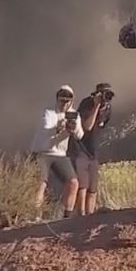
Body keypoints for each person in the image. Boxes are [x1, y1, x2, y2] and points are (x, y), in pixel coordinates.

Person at [30, 84, 85, 217]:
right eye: (62, 100)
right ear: (57, 99)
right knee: (41, 183)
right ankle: (35, 215)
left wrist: (73, 129)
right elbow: (46, 127)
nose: (64, 103)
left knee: (73, 182)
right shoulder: (49, 112)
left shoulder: (74, 115)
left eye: (67, 101)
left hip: (60, 154)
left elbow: (80, 135)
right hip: (42, 152)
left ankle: (67, 215)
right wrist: (59, 126)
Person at [69, 83, 114, 216]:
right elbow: (87, 127)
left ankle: (90, 215)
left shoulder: (107, 108)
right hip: (81, 149)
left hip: (93, 151)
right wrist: (95, 106)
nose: (106, 98)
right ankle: (81, 215)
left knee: (93, 188)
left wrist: (102, 109)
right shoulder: (86, 104)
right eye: (104, 94)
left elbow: (102, 125)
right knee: (83, 185)